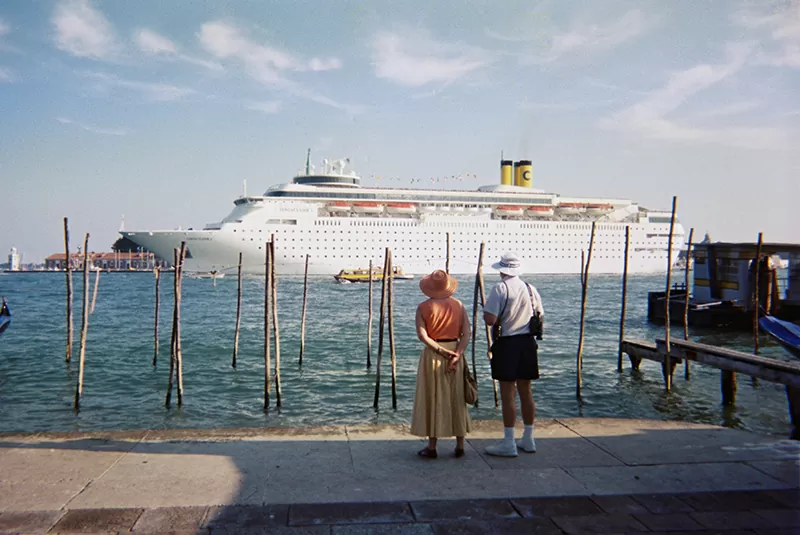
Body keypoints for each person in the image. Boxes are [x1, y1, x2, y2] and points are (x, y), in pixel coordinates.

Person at [482, 252, 544, 457]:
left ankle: (509, 442)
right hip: (528, 342)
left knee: (508, 393)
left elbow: (490, 319)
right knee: (526, 391)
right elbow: (540, 315)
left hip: (507, 343)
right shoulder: (531, 288)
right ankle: (529, 438)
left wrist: (495, 315)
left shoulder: (500, 288)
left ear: (502, 270)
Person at [411, 269, 472, 458]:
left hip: (433, 354)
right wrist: (457, 354)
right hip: (456, 351)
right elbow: (467, 333)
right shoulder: (459, 305)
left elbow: (423, 336)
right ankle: (460, 446)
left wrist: (441, 351)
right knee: (457, 397)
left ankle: (432, 447)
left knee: (433, 397)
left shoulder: (423, 307)